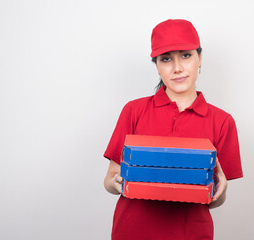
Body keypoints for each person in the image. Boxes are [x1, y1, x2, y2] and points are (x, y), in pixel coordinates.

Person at [103, 19, 243, 240]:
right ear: (157, 66)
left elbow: (216, 198)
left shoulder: (223, 121)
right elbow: (110, 179)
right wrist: (119, 182)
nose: (177, 68)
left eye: (186, 55)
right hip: (132, 232)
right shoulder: (133, 111)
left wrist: (220, 192)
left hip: (191, 234)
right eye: (166, 59)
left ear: (200, 59)